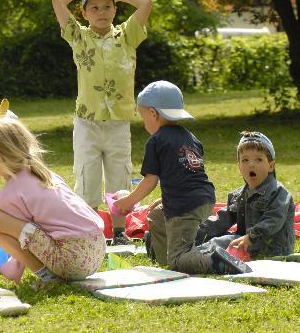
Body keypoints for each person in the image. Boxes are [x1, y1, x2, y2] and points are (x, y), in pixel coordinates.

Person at [52, 0, 153, 245]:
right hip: (88, 123)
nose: (101, 12)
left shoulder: (127, 34)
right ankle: (91, 233)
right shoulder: (79, 36)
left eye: (107, 7)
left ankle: (119, 233)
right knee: (88, 177)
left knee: (119, 176)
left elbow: (146, 2)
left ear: (115, 10)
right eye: (94, 7)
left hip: (118, 122)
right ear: (84, 13)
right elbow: (57, 0)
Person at [115, 81, 250, 274]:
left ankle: (212, 259)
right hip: (204, 197)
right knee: (156, 215)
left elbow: (150, 181)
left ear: (153, 113)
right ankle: (164, 259)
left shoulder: (156, 141)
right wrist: (165, 198)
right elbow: (185, 173)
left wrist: (127, 201)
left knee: (180, 260)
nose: (145, 124)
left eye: (144, 118)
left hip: (184, 205)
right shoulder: (190, 137)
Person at [0, 118, 106, 289]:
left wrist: (9, 268)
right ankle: (47, 273)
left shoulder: (11, 193)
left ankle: (47, 277)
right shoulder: (45, 175)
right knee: (21, 227)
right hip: (96, 250)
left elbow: (22, 238)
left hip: (72, 259)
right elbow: (28, 234)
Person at [195, 131, 295, 259]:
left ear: (271, 166)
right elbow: (222, 219)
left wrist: (251, 236)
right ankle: (190, 250)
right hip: (248, 243)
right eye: (245, 160)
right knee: (213, 235)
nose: (251, 164)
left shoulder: (279, 193)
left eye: (258, 159)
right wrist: (196, 231)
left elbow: (273, 220)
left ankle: (192, 258)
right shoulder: (240, 195)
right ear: (239, 166)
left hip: (272, 250)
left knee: (221, 242)